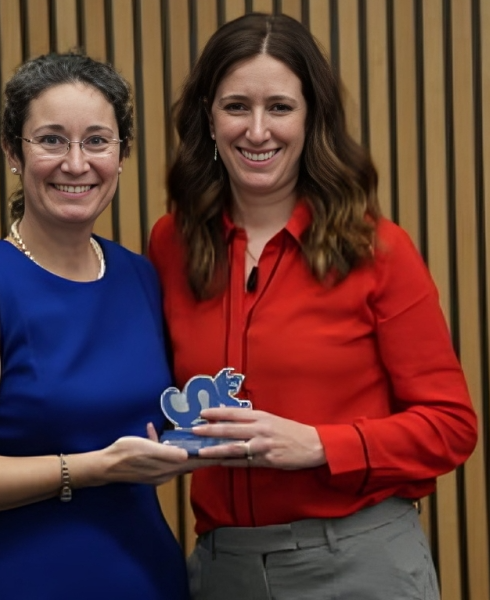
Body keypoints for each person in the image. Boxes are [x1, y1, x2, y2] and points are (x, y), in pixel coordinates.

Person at [148, 13, 477, 600]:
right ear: (207, 116)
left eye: (279, 107)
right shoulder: (171, 244)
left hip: (358, 564)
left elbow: (451, 427)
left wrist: (321, 445)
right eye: (235, 106)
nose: (256, 130)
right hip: (222, 568)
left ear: (311, 117)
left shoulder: (377, 248)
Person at [0, 52, 196, 600]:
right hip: (14, 581)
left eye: (97, 141)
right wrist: (90, 469)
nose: (76, 163)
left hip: (144, 576)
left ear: (122, 154)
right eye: (52, 140)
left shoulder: (140, 276)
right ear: (14, 152)